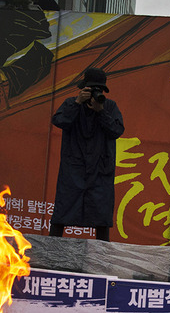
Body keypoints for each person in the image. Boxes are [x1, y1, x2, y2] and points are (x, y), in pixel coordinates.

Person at [50, 67, 125, 242]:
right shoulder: (71, 103)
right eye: (91, 89)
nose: (95, 94)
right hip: (73, 172)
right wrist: (77, 103)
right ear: (83, 88)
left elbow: (117, 130)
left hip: (100, 171)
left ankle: (101, 259)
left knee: (101, 219)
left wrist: (101, 111)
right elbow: (59, 120)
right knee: (62, 213)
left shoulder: (110, 106)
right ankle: (50, 254)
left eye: (98, 90)